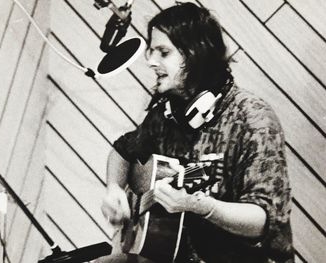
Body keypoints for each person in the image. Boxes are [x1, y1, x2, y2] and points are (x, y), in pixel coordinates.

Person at [101, 2, 294, 262]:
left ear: (195, 54)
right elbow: (122, 151)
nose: (150, 61)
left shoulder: (253, 118)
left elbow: (263, 221)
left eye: (163, 52)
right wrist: (114, 189)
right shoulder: (167, 113)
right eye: (150, 51)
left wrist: (202, 207)